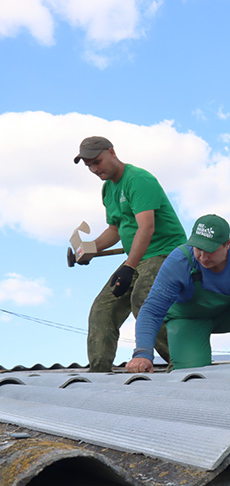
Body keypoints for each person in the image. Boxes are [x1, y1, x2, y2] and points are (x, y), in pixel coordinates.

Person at [75, 136, 186, 372]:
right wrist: (90, 249)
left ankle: (181, 361)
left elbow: (147, 227)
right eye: (89, 166)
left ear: (112, 152)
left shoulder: (139, 179)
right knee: (102, 309)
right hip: (137, 259)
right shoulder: (108, 189)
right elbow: (115, 229)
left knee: (143, 300)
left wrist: (129, 266)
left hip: (166, 255)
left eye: (97, 162)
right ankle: (98, 371)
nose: (95, 169)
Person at [126, 214, 230, 373]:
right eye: (198, 248)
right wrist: (143, 353)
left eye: (210, 250)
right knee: (193, 376)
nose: (203, 257)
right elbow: (152, 310)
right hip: (188, 320)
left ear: (227, 244)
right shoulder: (179, 261)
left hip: (226, 314)